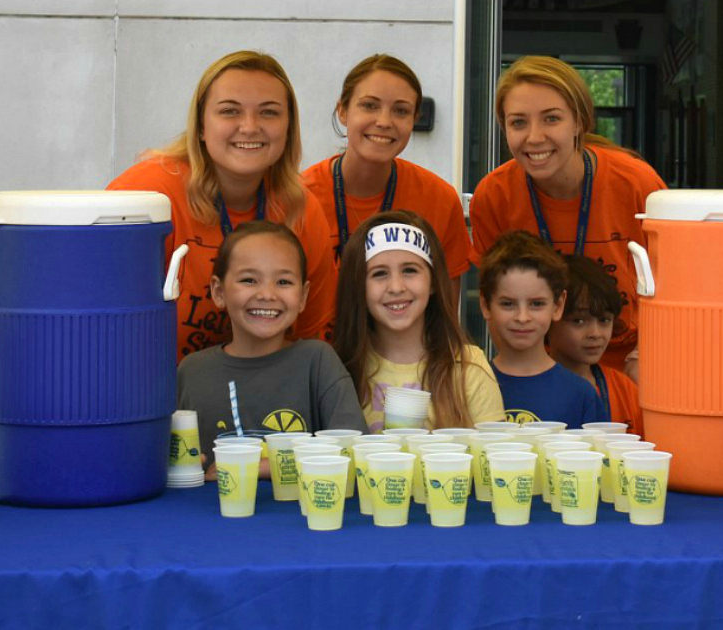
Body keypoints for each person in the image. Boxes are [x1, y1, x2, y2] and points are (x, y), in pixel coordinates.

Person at [108, 50, 337, 362]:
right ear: (201, 126)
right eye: (230, 111)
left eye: (269, 112)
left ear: (289, 128)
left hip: (255, 399)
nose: (250, 126)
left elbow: (311, 340)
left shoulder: (301, 210)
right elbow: (100, 323)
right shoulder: (148, 195)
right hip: (147, 394)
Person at [469, 55, 667, 376]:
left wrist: (650, 360)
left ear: (579, 122)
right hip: (540, 368)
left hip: (631, 367)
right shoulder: (494, 196)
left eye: (551, 119)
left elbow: (673, 288)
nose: (534, 137)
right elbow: (497, 304)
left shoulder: (637, 184)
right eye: (518, 122)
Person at [177, 222, 366, 480]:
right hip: (209, 516)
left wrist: (259, 468)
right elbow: (168, 456)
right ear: (219, 291)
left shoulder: (318, 361)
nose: (267, 294)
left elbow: (353, 451)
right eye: (249, 280)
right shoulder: (192, 371)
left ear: (303, 296)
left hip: (301, 517)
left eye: (283, 281)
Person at [304, 54, 471, 310]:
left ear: (414, 119)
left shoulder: (439, 200)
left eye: (400, 111)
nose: (383, 122)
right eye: (369, 106)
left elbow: (443, 321)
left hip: (404, 350)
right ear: (343, 111)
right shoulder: (298, 198)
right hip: (317, 348)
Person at [333, 211, 504, 433]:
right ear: (358, 287)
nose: (396, 287)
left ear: (433, 281)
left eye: (409, 270)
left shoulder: (468, 365)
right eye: (379, 274)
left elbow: (492, 458)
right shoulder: (337, 369)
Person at [478, 231, 601, 428]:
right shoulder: (470, 387)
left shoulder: (581, 395)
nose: (522, 317)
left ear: (558, 305)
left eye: (536, 304)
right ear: (485, 305)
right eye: (508, 304)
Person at [547, 255, 643, 435]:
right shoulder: (528, 384)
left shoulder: (626, 389)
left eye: (604, 320)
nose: (595, 334)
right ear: (549, 317)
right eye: (578, 321)